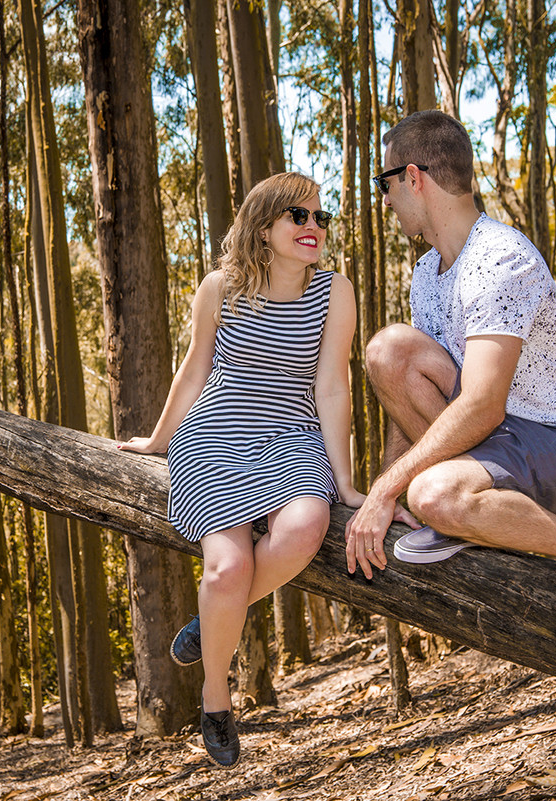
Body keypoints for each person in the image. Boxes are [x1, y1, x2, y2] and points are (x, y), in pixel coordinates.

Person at [345, 110, 556, 650]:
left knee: (433, 490)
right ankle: (453, 510)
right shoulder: (427, 275)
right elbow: (410, 395)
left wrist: (388, 488)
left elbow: (482, 405)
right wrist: (391, 498)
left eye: (385, 182)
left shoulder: (500, 257)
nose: (383, 198)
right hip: (500, 441)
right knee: (389, 352)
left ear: (414, 177)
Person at [120, 172, 407, 766]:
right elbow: (195, 370)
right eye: (297, 217)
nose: (313, 228)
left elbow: (331, 386)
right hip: (216, 435)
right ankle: (216, 697)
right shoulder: (220, 288)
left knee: (305, 528)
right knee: (226, 571)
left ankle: (211, 623)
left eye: (319, 217)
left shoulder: (336, 291)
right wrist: (156, 439)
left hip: (292, 437)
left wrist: (346, 480)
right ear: (263, 226)